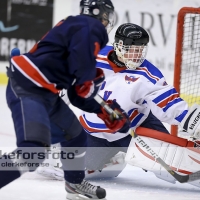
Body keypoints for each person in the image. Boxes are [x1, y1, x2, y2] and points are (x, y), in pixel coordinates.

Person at [0, 1, 131, 199]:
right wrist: (94, 87)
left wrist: (102, 110)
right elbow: (82, 81)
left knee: (75, 135)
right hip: (28, 88)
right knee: (32, 152)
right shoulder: (91, 27)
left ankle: (75, 184)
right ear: (102, 15)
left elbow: (76, 95)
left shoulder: (75, 27)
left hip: (44, 91)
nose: (106, 22)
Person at [36, 23, 200, 181]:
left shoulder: (147, 74)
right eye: (133, 50)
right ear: (119, 46)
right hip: (95, 132)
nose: (138, 55)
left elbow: (168, 103)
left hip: (137, 127)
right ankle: (111, 158)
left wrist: (191, 120)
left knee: (171, 163)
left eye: (141, 50)